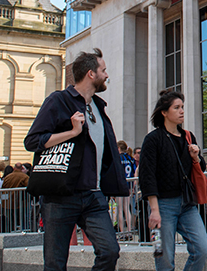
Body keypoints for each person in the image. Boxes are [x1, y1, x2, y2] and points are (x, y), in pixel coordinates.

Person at [24, 48, 129, 271]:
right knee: (55, 263)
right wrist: (71, 132)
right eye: (104, 70)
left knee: (110, 251)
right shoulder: (59, 100)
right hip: (61, 195)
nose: (107, 75)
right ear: (91, 74)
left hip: (94, 197)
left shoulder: (99, 107)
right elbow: (32, 141)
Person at [140, 90, 207, 271]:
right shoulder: (153, 139)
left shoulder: (188, 137)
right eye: (176, 108)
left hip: (187, 204)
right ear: (164, 112)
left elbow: (201, 168)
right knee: (165, 260)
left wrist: (196, 157)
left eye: (183, 107)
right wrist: (154, 210)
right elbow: (147, 177)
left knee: (202, 249)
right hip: (163, 206)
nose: (181, 111)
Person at [117, 140, 137, 233]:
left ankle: (122, 231)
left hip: (120, 185)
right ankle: (129, 230)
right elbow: (133, 171)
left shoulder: (118, 158)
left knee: (120, 209)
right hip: (129, 184)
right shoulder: (130, 158)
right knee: (126, 208)